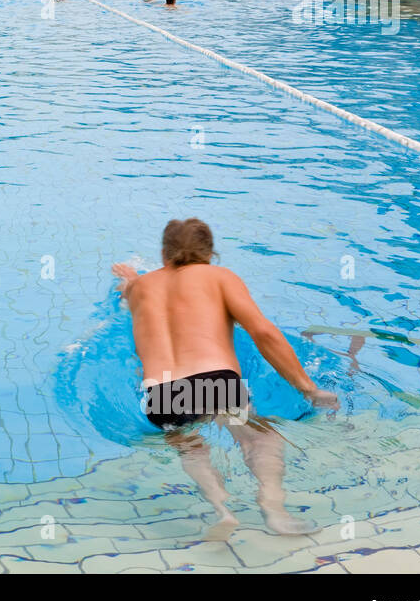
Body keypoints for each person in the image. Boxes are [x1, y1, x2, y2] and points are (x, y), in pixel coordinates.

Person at [112, 218, 338, 538]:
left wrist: (131, 277)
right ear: (210, 254)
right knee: (259, 437)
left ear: (164, 254)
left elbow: (129, 292)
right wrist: (309, 389)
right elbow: (263, 332)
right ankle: (273, 507)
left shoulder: (139, 289)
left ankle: (222, 509)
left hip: (161, 393)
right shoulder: (219, 277)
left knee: (188, 445)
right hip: (214, 383)